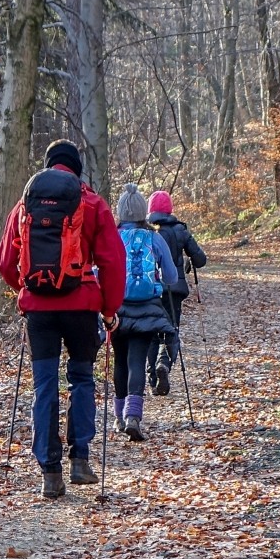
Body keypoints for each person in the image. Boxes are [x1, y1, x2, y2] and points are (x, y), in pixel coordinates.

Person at [0, 140, 126, 499]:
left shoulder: (26, 204)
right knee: (82, 378)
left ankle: (49, 473)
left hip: (39, 310)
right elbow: (113, 261)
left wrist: (27, 289)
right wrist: (110, 309)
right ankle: (80, 460)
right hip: (82, 306)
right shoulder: (93, 203)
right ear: (77, 169)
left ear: (48, 165)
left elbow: (4, 262)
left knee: (45, 385)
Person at [111, 185, 180, 441]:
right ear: (143, 212)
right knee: (137, 361)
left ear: (120, 212)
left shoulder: (113, 237)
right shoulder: (154, 238)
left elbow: (99, 270)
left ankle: (119, 417)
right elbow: (171, 277)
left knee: (120, 360)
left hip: (117, 308)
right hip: (148, 308)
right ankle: (133, 416)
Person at [147, 189, 208, 395]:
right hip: (175, 291)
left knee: (152, 333)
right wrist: (189, 261)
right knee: (171, 330)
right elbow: (201, 259)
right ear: (170, 209)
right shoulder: (180, 231)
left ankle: (153, 379)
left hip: (152, 289)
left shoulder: (148, 232)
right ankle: (164, 363)